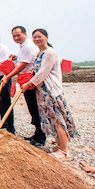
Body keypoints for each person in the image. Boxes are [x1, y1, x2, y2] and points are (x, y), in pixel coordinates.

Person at [21, 29, 78, 161]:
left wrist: (28, 83)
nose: (36, 39)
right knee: (50, 118)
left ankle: (64, 151)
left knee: (57, 118)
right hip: (42, 91)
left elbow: (42, 73)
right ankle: (59, 146)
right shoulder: (39, 53)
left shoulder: (50, 53)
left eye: (39, 37)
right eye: (34, 37)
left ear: (46, 37)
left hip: (51, 91)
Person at [2, 26, 46, 147]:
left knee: (35, 108)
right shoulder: (22, 46)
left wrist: (7, 77)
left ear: (25, 34)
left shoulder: (27, 46)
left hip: (30, 80)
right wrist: (16, 58)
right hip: (25, 79)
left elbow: (21, 66)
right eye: (14, 36)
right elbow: (23, 61)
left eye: (18, 35)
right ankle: (37, 132)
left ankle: (41, 137)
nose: (16, 38)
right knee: (32, 108)